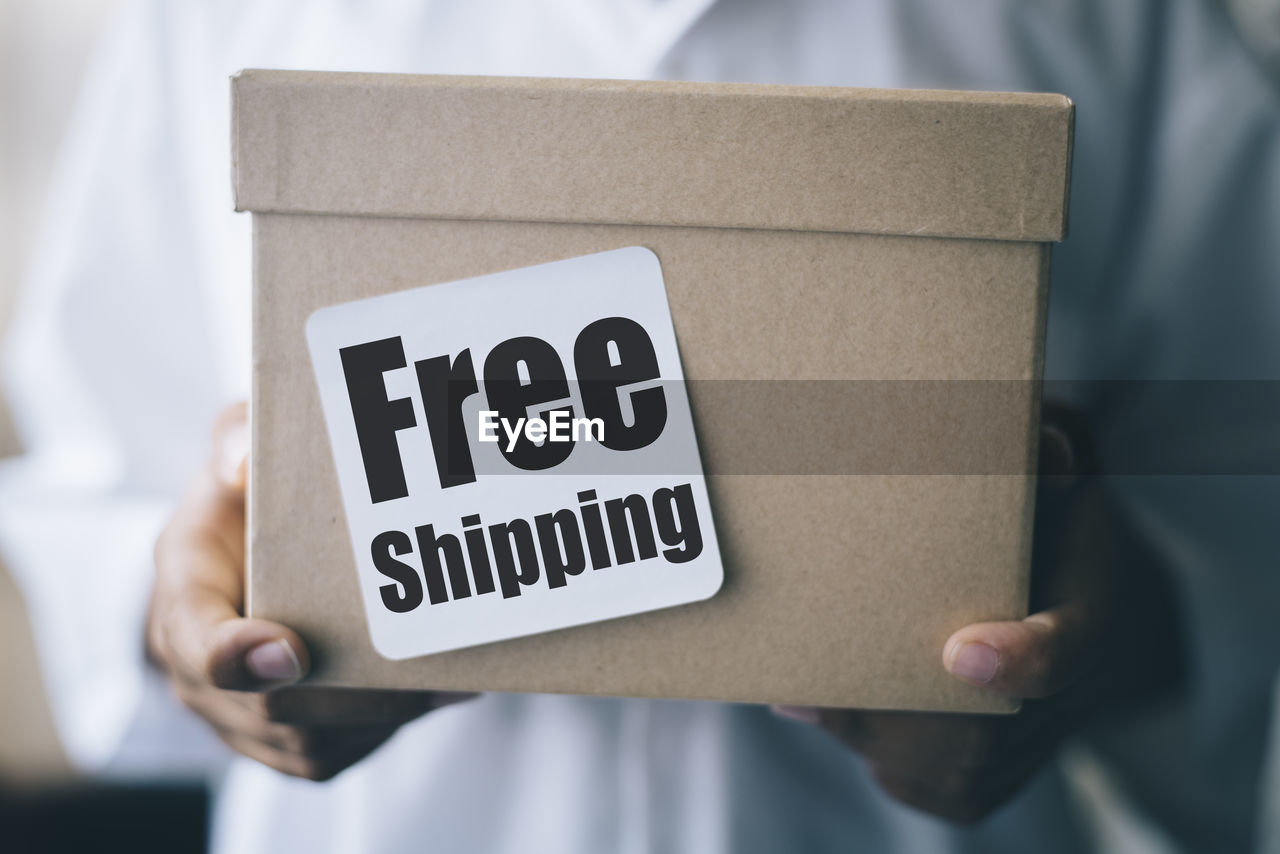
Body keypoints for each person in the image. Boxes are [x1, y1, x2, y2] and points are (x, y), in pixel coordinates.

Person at [2, 0, 1277, 851]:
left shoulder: (1111, 20)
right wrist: (186, 630)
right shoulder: (205, 12)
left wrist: (1131, 639)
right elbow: (100, 481)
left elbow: (1241, 501)